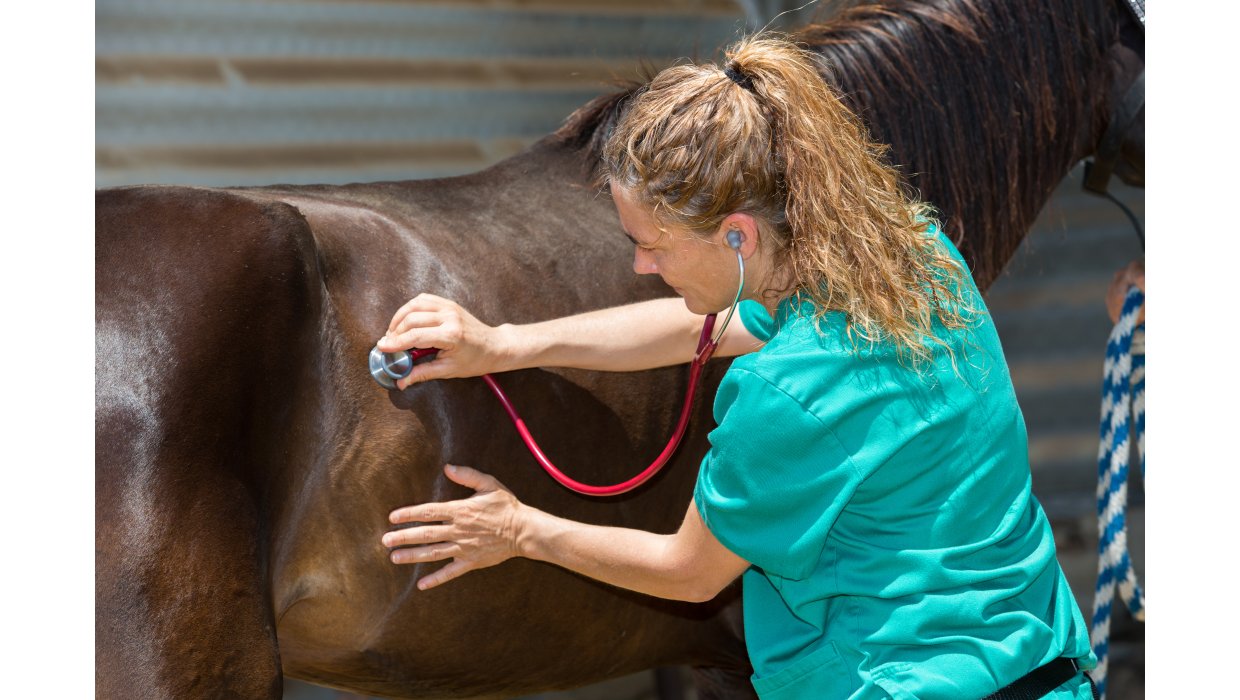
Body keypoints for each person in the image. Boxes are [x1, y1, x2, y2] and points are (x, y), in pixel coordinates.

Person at [375, 35, 1096, 700]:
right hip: (1043, 666)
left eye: (653, 245)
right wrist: (504, 343)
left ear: (738, 234)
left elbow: (689, 572)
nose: (641, 266)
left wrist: (517, 529)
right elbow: (707, 326)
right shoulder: (912, 253)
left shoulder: (786, 395)